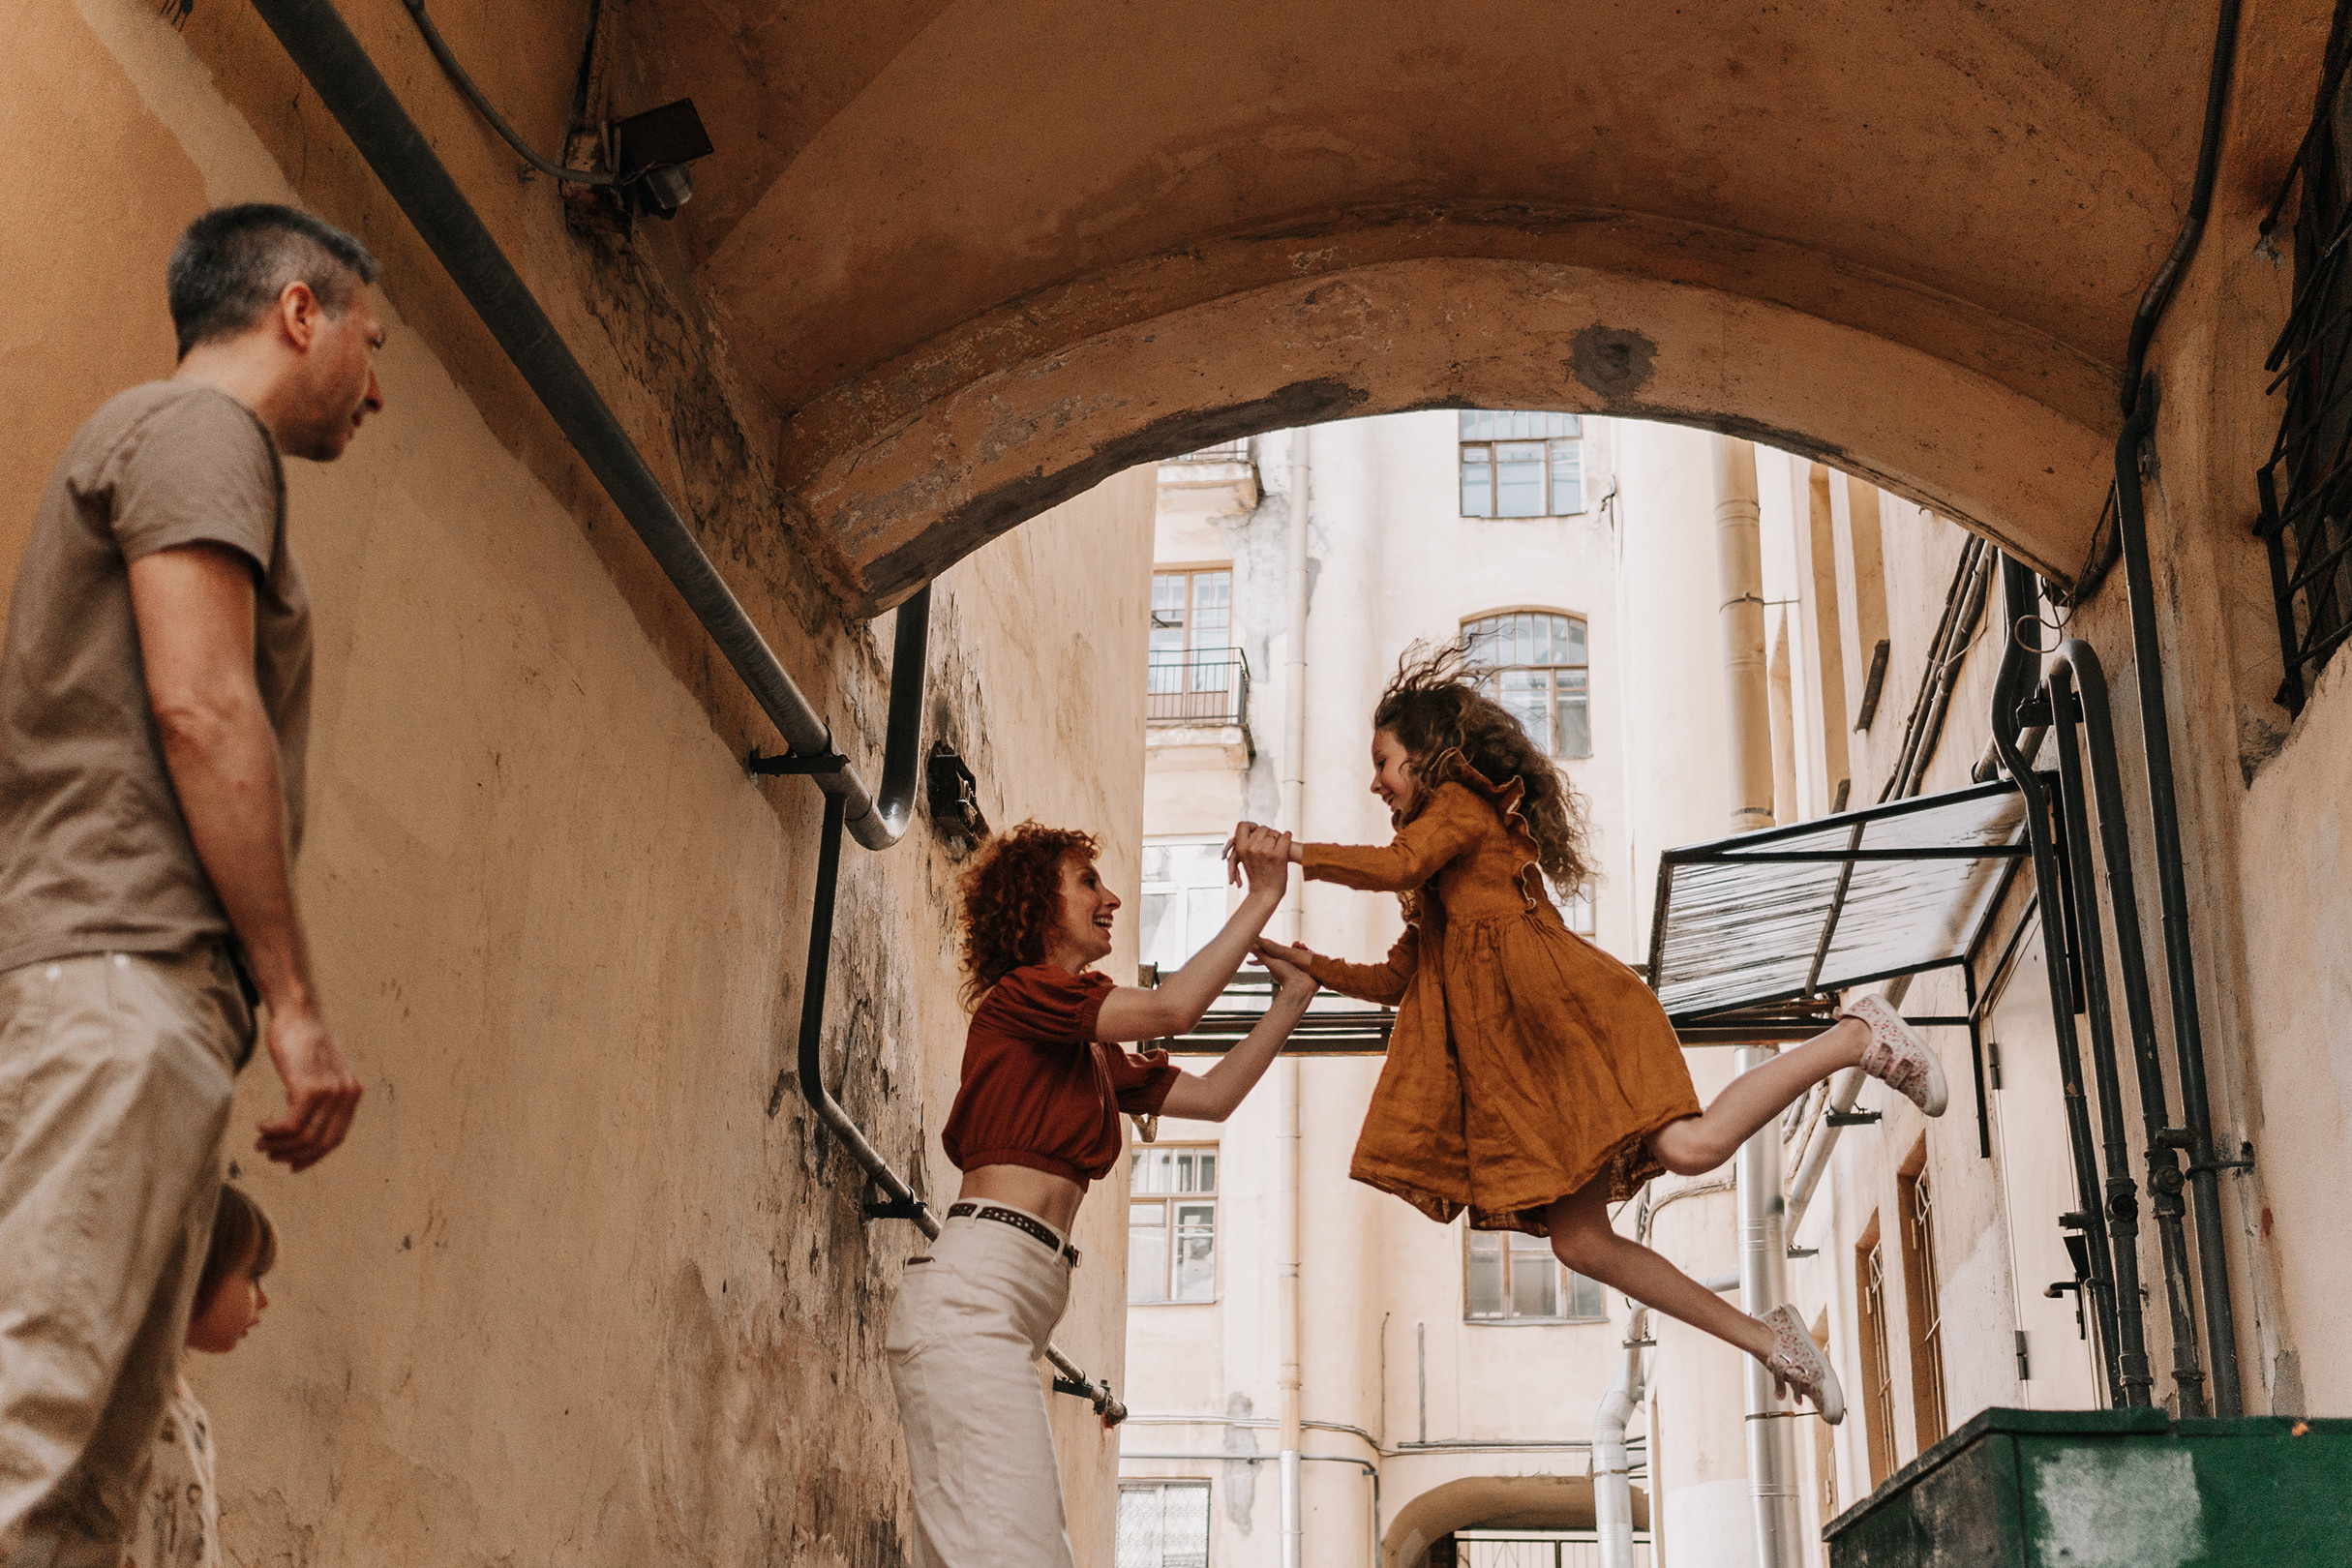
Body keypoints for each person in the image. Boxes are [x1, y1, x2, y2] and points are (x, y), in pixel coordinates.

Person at [1246, 645, 1949, 1424]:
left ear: (1427, 753)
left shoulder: (1459, 805)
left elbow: (1392, 863)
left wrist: (1290, 851)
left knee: (1690, 1148)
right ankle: (1769, 1338)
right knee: (1579, 1244)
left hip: (1577, 1017)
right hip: (1532, 1057)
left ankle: (1856, 1038)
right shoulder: (1433, 875)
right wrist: (1303, 963)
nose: (1374, 781)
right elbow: (1395, 981)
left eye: (1382, 760)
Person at [0, 203, 377, 1559]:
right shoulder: (197, 433)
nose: (376, 386)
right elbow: (207, 708)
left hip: (129, 990)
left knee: (93, 1469)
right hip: (120, 977)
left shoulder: (175, 445)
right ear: (295, 311)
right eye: (368, 341)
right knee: (41, 1442)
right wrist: (293, 1000)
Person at [888, 821, 1314, 1567]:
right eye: (1088, 881)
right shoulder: (1024, 997)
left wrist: (1292, 1000)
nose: (1111, 896)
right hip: (974, 1300)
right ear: (1036, 904)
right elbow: (1172, 1009)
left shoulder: (1087, 1051)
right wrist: (1265, 895)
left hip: (1009, 1306)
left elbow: (1212, 1098)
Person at [127, 1185, 278, 1568]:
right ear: (194, 1271)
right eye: (252, 1276)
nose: (263, 1299)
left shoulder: (180, 1407)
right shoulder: (129, 1411)